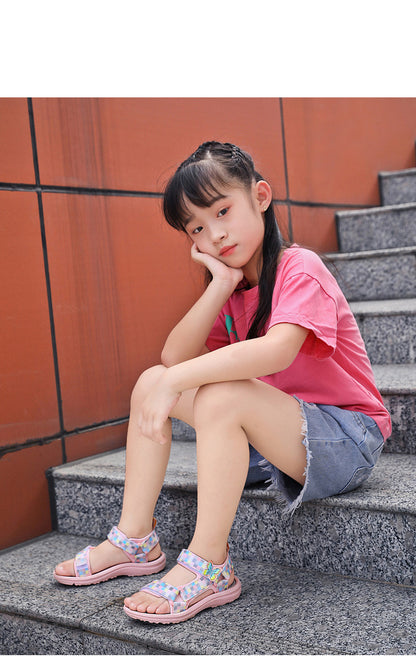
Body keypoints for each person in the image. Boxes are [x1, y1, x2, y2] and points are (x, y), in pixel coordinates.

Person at [54, 141, 391, 624]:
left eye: (222, 211)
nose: (215, 234)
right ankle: (135, 539)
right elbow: (173, 359)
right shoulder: (235, 289)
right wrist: (220, 284)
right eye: (197, 228)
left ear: (260, 196)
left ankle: (210, 564)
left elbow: (276, 349)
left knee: (219, 394)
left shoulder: (300, 267)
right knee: (151, 381)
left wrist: (179, 378)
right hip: (277, 436)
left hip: (345, 438)